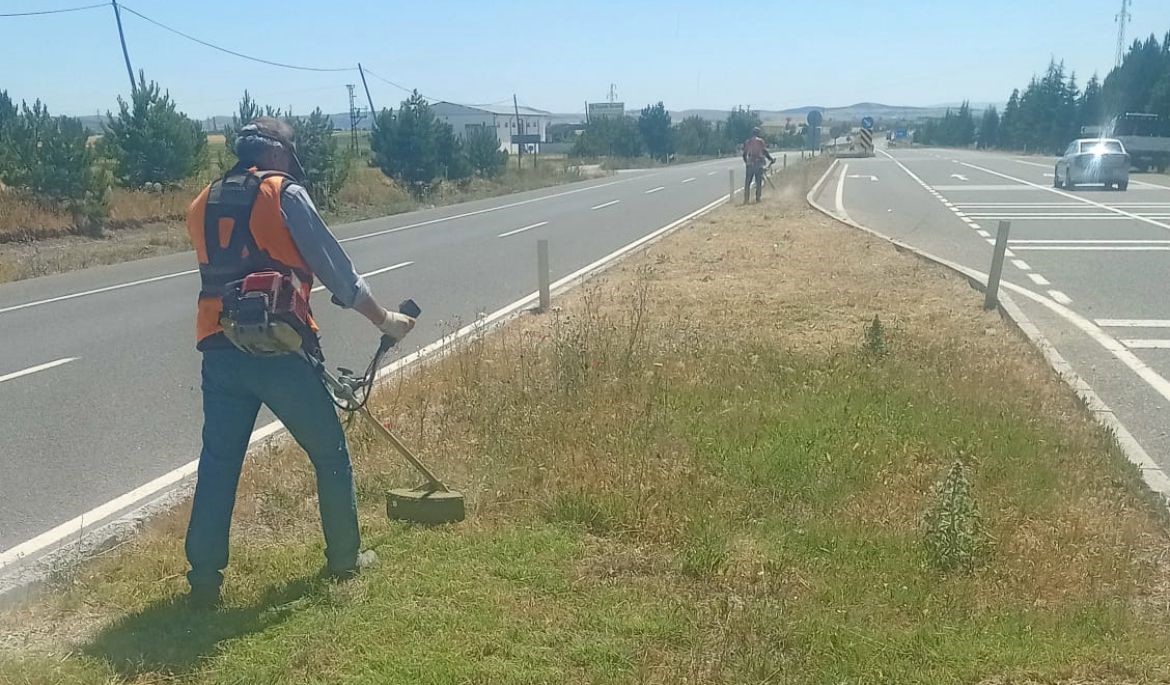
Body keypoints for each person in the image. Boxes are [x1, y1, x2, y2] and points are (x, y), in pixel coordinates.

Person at [182, 117, 415, 608]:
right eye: (289, 158)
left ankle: (203, 579)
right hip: (281, 348)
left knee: (219, 463)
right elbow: (336, 271)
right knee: (329, 454)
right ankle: (345, 558)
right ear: (277, 156)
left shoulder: (202, 201)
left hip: (220, 348)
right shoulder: (283, 194)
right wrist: (384, 319)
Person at [742, 127, 775, 204]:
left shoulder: (748, 142)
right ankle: (758, 198)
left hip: (750, 163)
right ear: (758, 133)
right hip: (758, 163)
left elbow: (744, 154)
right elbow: (765, 152)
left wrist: (747, 162)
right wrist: (771, 159)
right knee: (758, 181)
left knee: (747, 182)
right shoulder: (760, 141)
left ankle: (746, 199)